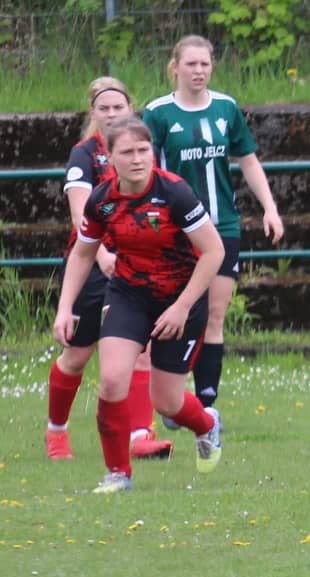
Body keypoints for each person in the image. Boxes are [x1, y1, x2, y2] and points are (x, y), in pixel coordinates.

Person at [53, 116, 226, 493]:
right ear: (111, 158)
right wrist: (65, 309)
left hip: (182, 298)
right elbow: (82, 253)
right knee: (112, 380)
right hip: (129, 295)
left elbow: (214, 251)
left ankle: (207, 425)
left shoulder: (174, 193)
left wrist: (182, 306)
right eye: (127, 152)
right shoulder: (102, 200)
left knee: (167, 401)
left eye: (143, 150)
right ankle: (118, 474)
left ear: (153, 152)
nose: (137, 159)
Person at [143, 34, 284, 422]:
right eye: (191, 64)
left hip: (223, 226)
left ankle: (205, 407)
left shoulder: (226, 107)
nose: (199, 71)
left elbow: (248, 160)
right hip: (176, 232)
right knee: (177, 312)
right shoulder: (157, 113)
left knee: (215, 315)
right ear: (175, 68)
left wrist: (270, 208)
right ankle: (172, 397)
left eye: (205, 64)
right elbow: (146, 171)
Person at [46, 77, 174, 461]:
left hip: (136, 262)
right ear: (93, 113)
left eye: (119, 107)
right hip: (92, 262)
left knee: (142, 349)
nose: (112, 114)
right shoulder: (84, 154)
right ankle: (56, 432)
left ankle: (140, 435)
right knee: (78, 355)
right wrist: (101, 254)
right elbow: (80, 212)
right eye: (104, 108)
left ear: (130, 109)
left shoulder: (142, 150)